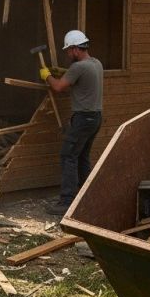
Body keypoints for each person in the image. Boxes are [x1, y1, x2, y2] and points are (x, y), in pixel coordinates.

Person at [40, 29, 103, 215]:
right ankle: (88, 196)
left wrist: (47, 76)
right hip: (95, 118)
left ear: (76, 49)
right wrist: (63, 72)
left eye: (68, 50)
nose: (67, 54)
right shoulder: (96, 63)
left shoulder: (78, 68)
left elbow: (59, 87)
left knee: (68, 156)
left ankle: (67, 202)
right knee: (82, 157)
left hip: (83, 119)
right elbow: (78, 78)